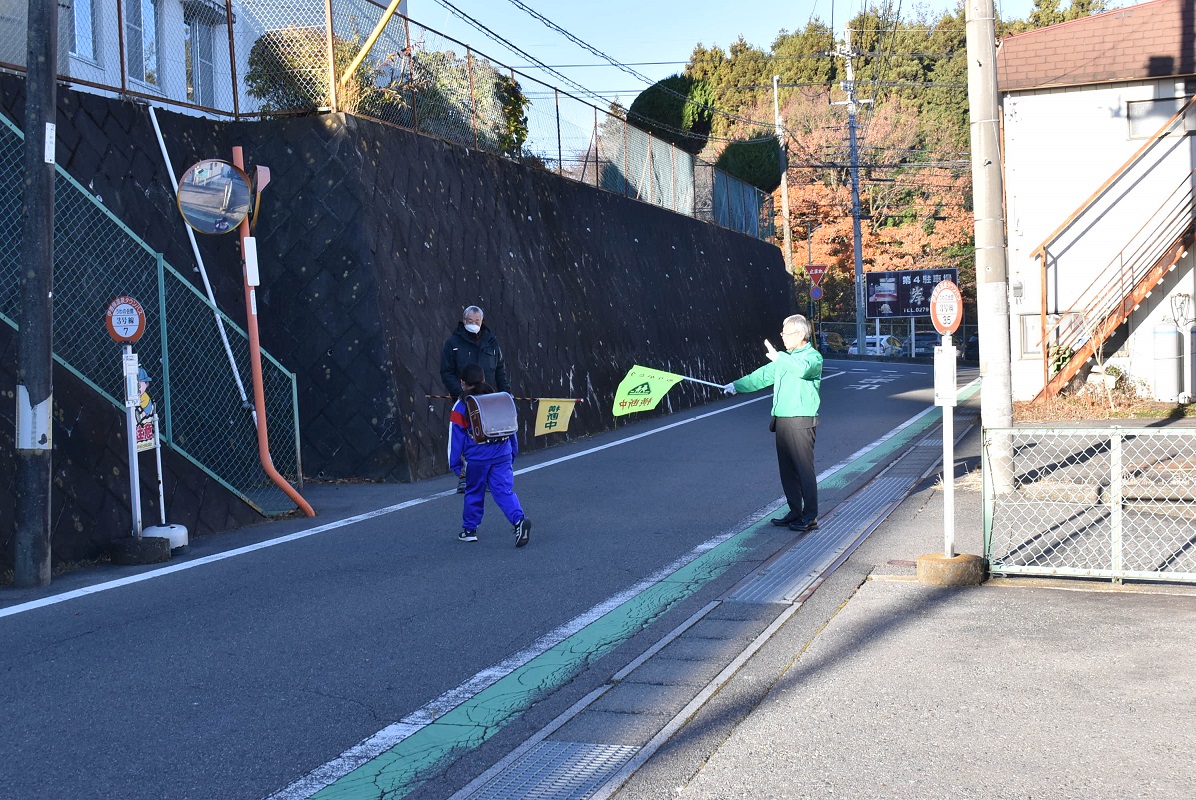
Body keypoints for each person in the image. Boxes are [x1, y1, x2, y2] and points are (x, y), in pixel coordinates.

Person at [723, 314, 823, 533]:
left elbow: (804, 369)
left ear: (800, 334)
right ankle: (795, 511)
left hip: (801, 420)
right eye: (782, 333)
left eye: (786, 333)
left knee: (804, 470)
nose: (783, 337)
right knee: (787, 470)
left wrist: (780, 358)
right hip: (782, 420)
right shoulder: (784, 358)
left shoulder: (812, 357)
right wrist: (736, 385)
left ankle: (810, 516)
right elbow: (760, 377)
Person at [449, 364, 531, 547]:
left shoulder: (462, 405)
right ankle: (519, 520)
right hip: (503, 452)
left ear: (463, 383)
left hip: (477, 457)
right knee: (503, 491)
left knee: (474, 492)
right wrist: (512, 452)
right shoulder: (500, 398)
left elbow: (455, 438)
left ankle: (470, 530)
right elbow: (510, 427)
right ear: (484, 380)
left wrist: (456, 465)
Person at [441, 305, 512, 492]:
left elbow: (500, 370)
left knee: (489, 436)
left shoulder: (491, 342)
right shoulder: (453, 343)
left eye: (477, 321)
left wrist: (506, 394)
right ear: (464, 321)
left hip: (489, 400)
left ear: (482, 322)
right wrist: (460, 393)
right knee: (464, 438)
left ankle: (490, 476)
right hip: (465, 401)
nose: (473, 324)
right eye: (470, 321)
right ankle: (464, 476)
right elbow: (446, 371)